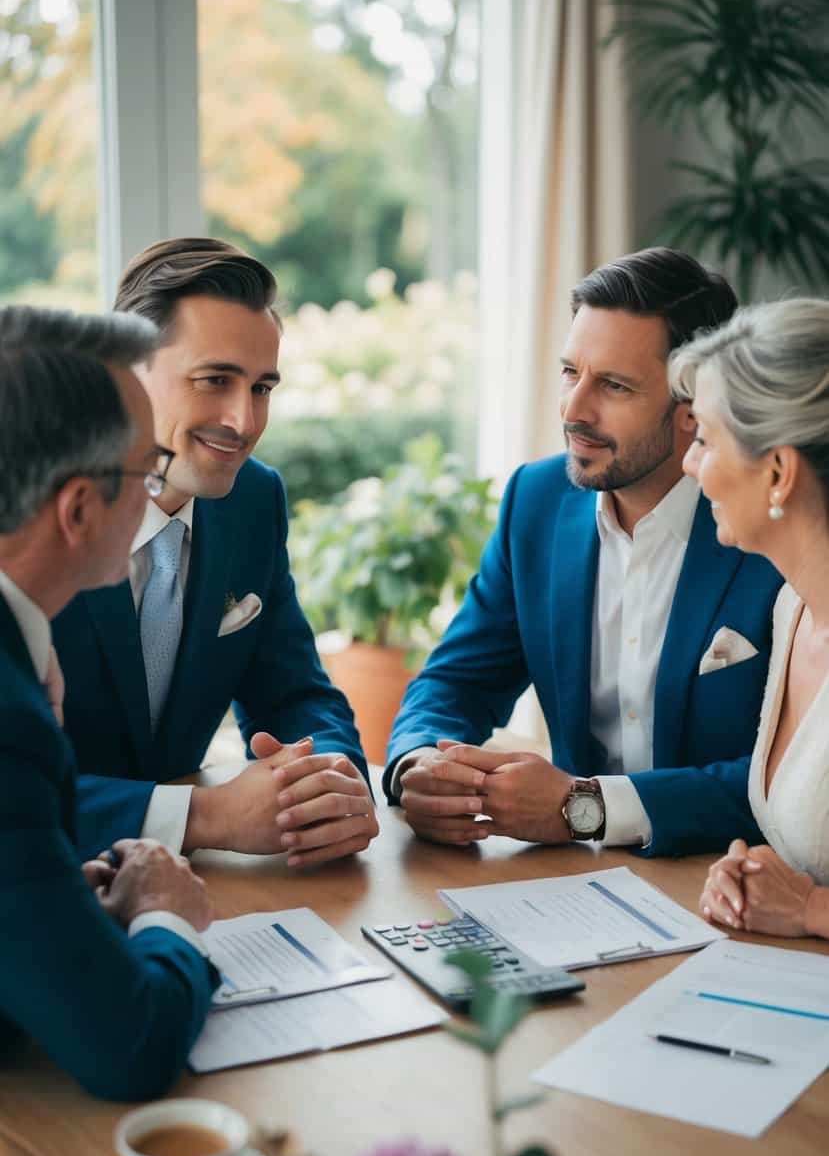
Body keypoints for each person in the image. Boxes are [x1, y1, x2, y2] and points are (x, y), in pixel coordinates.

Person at [385, 247, 783, 856]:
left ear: (693, 409)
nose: (573, 410)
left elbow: (786, 779)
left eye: (614, 386)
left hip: (728, 879)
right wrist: (421, 767)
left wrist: (586, 807)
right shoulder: (535, 501)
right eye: (571, 372)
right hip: (574, 883)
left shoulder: (771, 527)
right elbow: (457, 679)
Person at [48, 239, 377, 868]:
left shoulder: (254, 499)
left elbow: (296, 692)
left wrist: (330, 781)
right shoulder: (30, 512)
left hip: (194, 893)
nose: (243, 420)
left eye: (261, 388)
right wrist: (204, 816)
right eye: (215, 380)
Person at [0, 307, 217, 1099]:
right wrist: (167, 914)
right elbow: (130, 1046)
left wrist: (52, 900)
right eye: (147, 470)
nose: (158, 494)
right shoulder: (10, 723)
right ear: (81, 508)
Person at [670, 299, 829, 939]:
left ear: (778, 472)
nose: (690, 463)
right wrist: (754, 877)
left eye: (704, 438)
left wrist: (811, 911)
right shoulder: (793, 609)